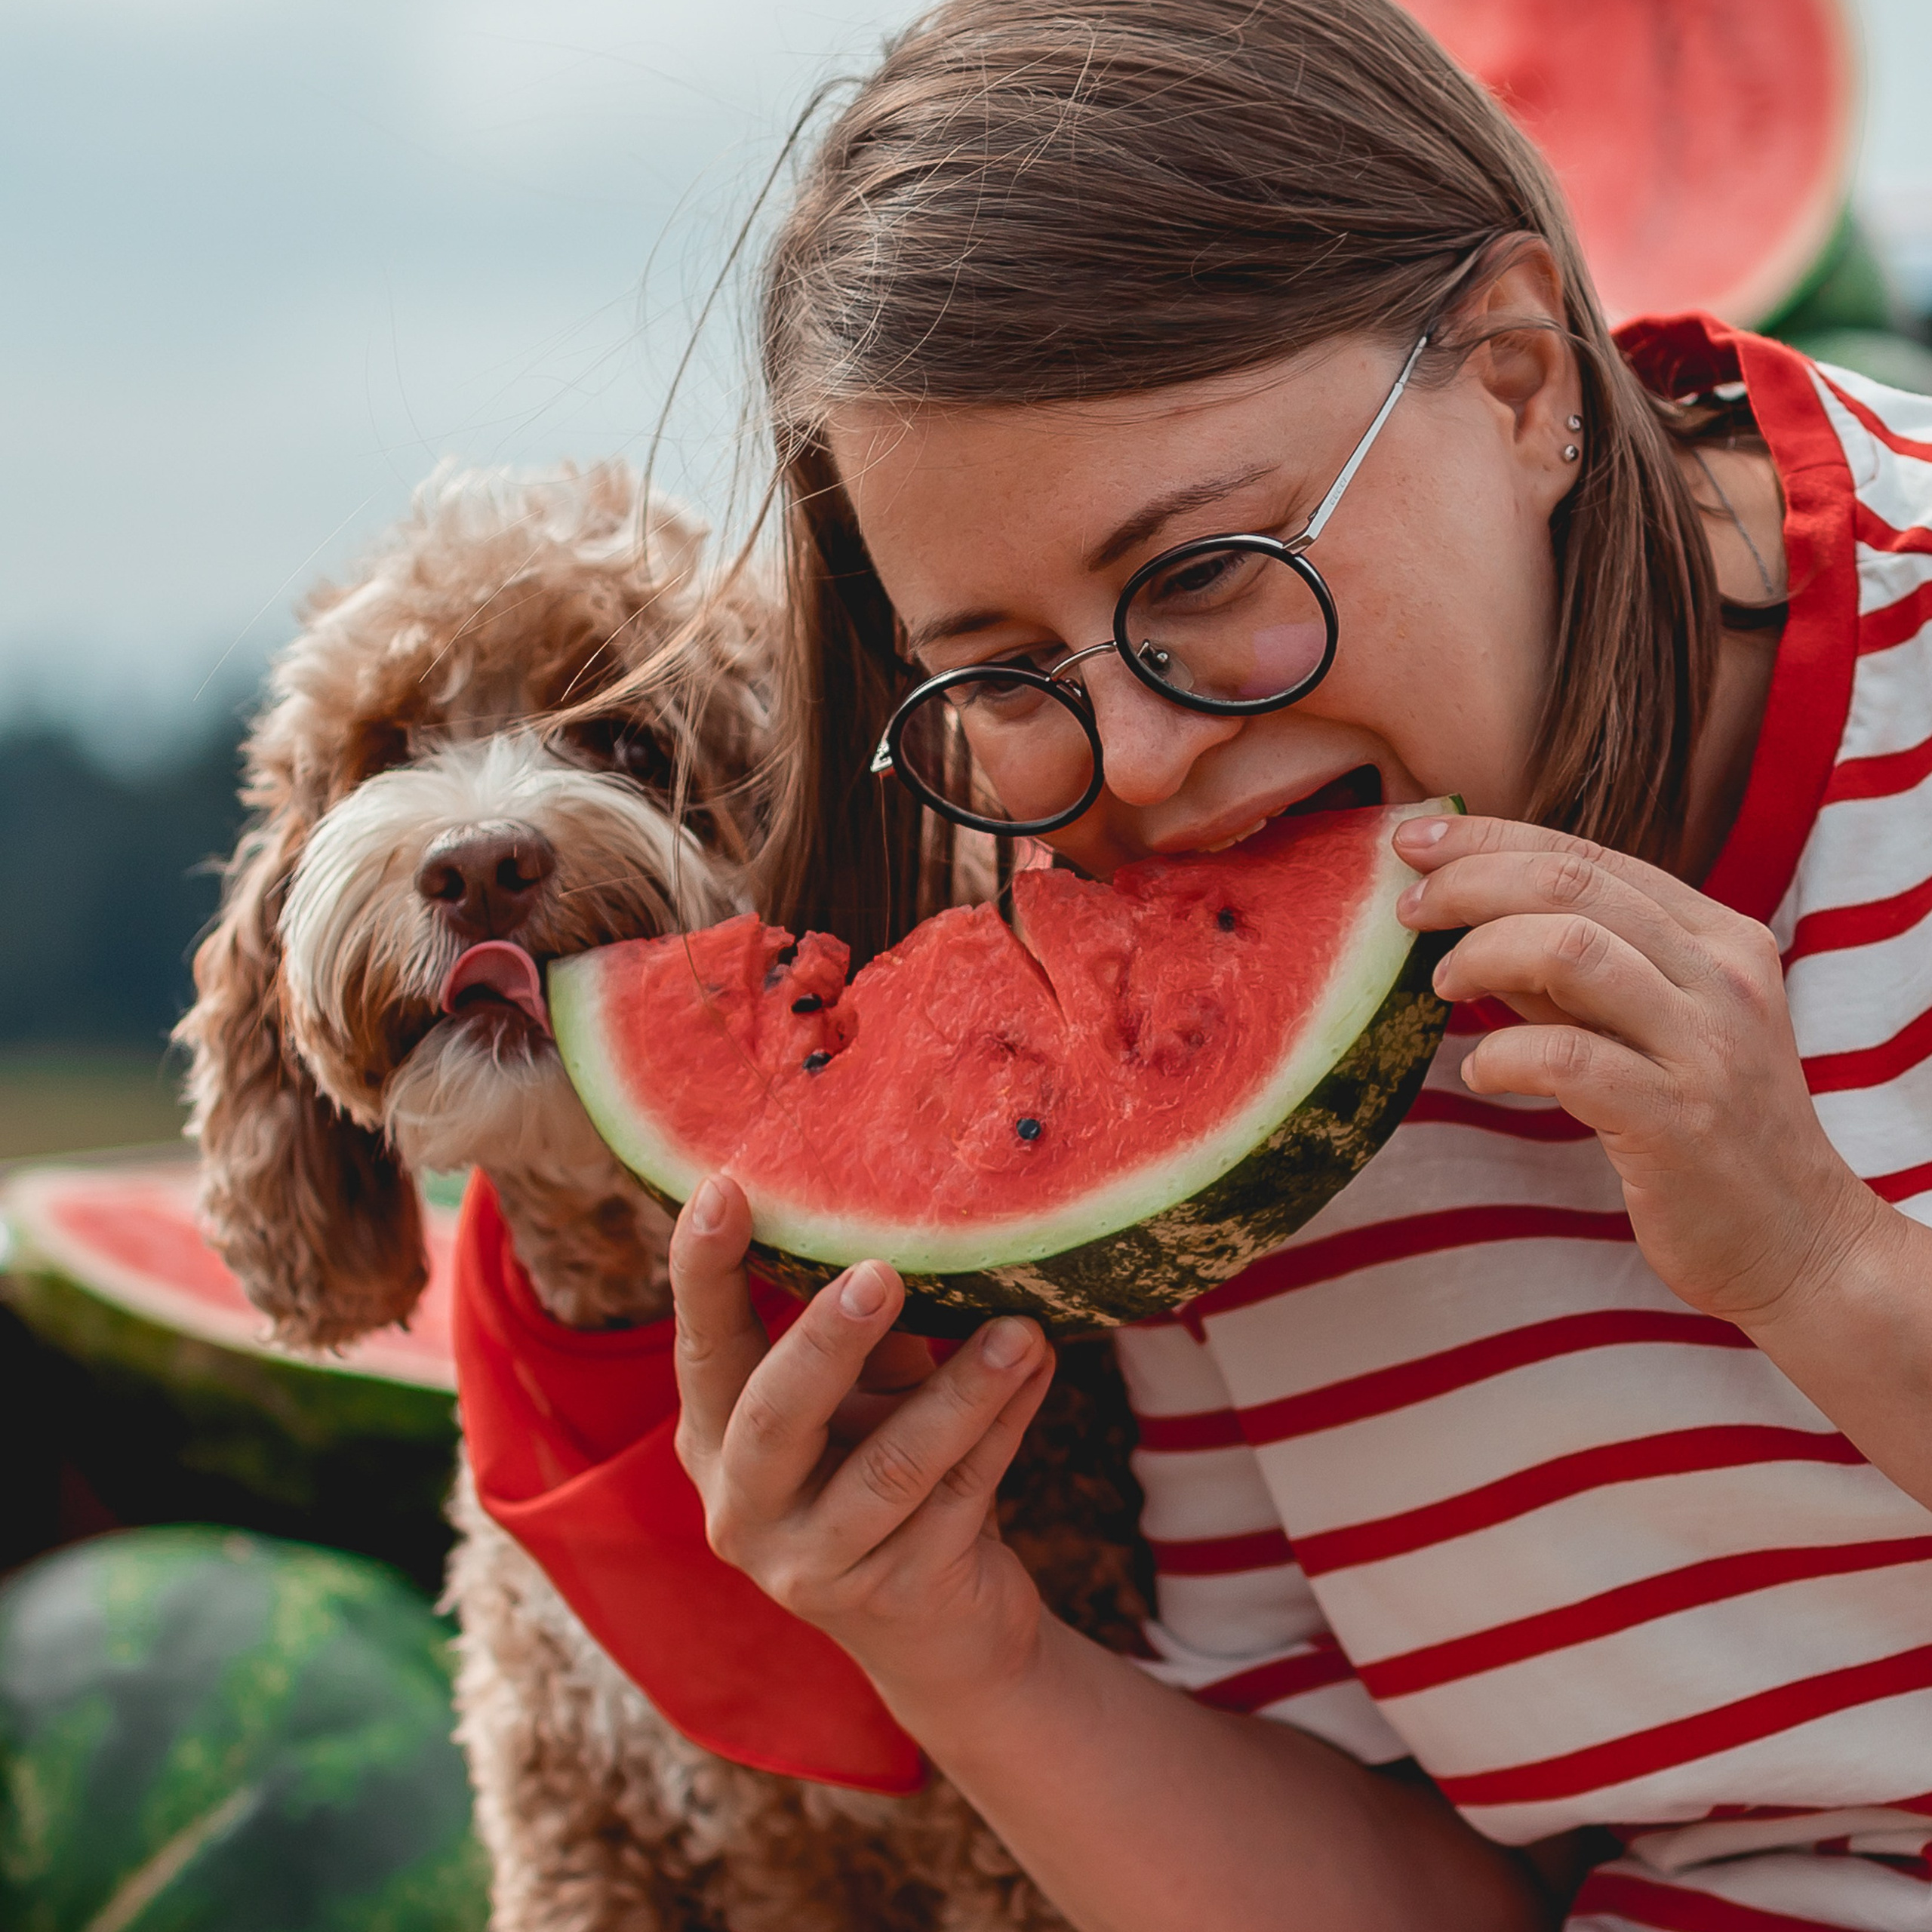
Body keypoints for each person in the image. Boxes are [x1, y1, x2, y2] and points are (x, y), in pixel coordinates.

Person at [655, 2, 1932, 1924]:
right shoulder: (1165, 1046)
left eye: (1199, 576)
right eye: (998, 670)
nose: (1140, 767)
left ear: (1514, 376)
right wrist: (961, 1648)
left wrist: (1819, 1263)